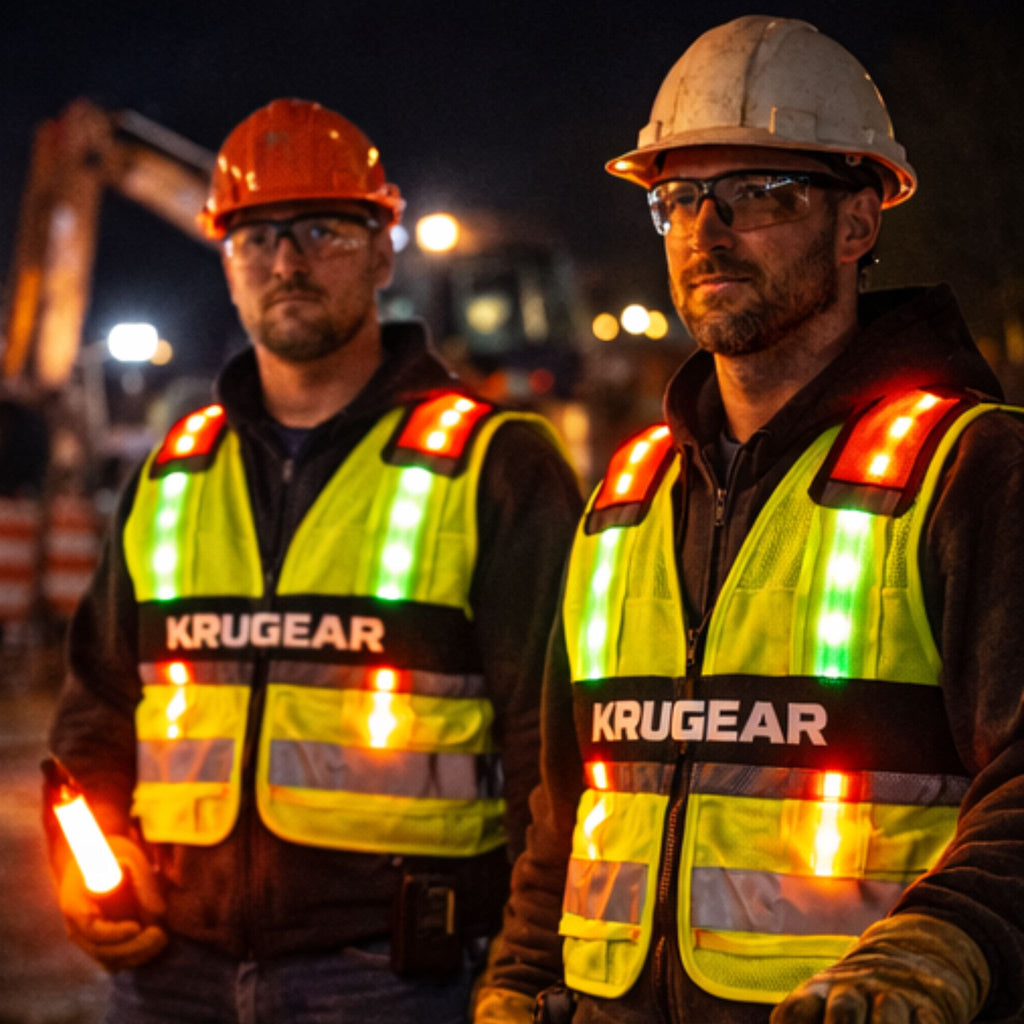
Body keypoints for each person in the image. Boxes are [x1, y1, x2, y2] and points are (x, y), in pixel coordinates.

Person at [473, 16, 1024, 1024]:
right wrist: (515, 974)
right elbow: (569, 798)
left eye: (757, 195)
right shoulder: (628, 494)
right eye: (677, 199)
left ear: (857, 224)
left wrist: (941, 944)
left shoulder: (972, 467)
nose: (706, 231)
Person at [44, 97, 582, 1023]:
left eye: (322, 230)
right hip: (168, 969)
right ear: (226, 260)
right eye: (257, 237)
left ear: (382, 251)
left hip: (401, 978)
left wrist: (534, 955)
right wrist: (86, 864)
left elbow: (557, 749)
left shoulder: (496, 465)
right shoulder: (174, 471)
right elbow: (97, 708)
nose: (286, 262)